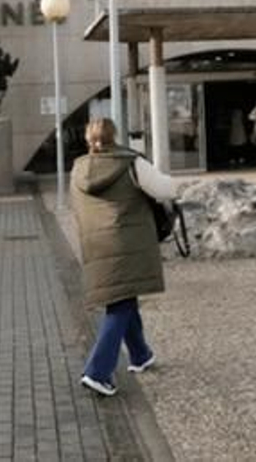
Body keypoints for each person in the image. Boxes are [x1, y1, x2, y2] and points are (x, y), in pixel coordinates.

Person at [72, 118, 184, 396]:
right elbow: (165, 190)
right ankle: (97, 372)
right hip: (127, 242)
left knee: (124, 295)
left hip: (96, 244)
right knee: (120, 306)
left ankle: (140, 355)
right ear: (115, 136)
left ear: (89, 139)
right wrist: (178, 183)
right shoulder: (131, 163)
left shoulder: (78, 168)